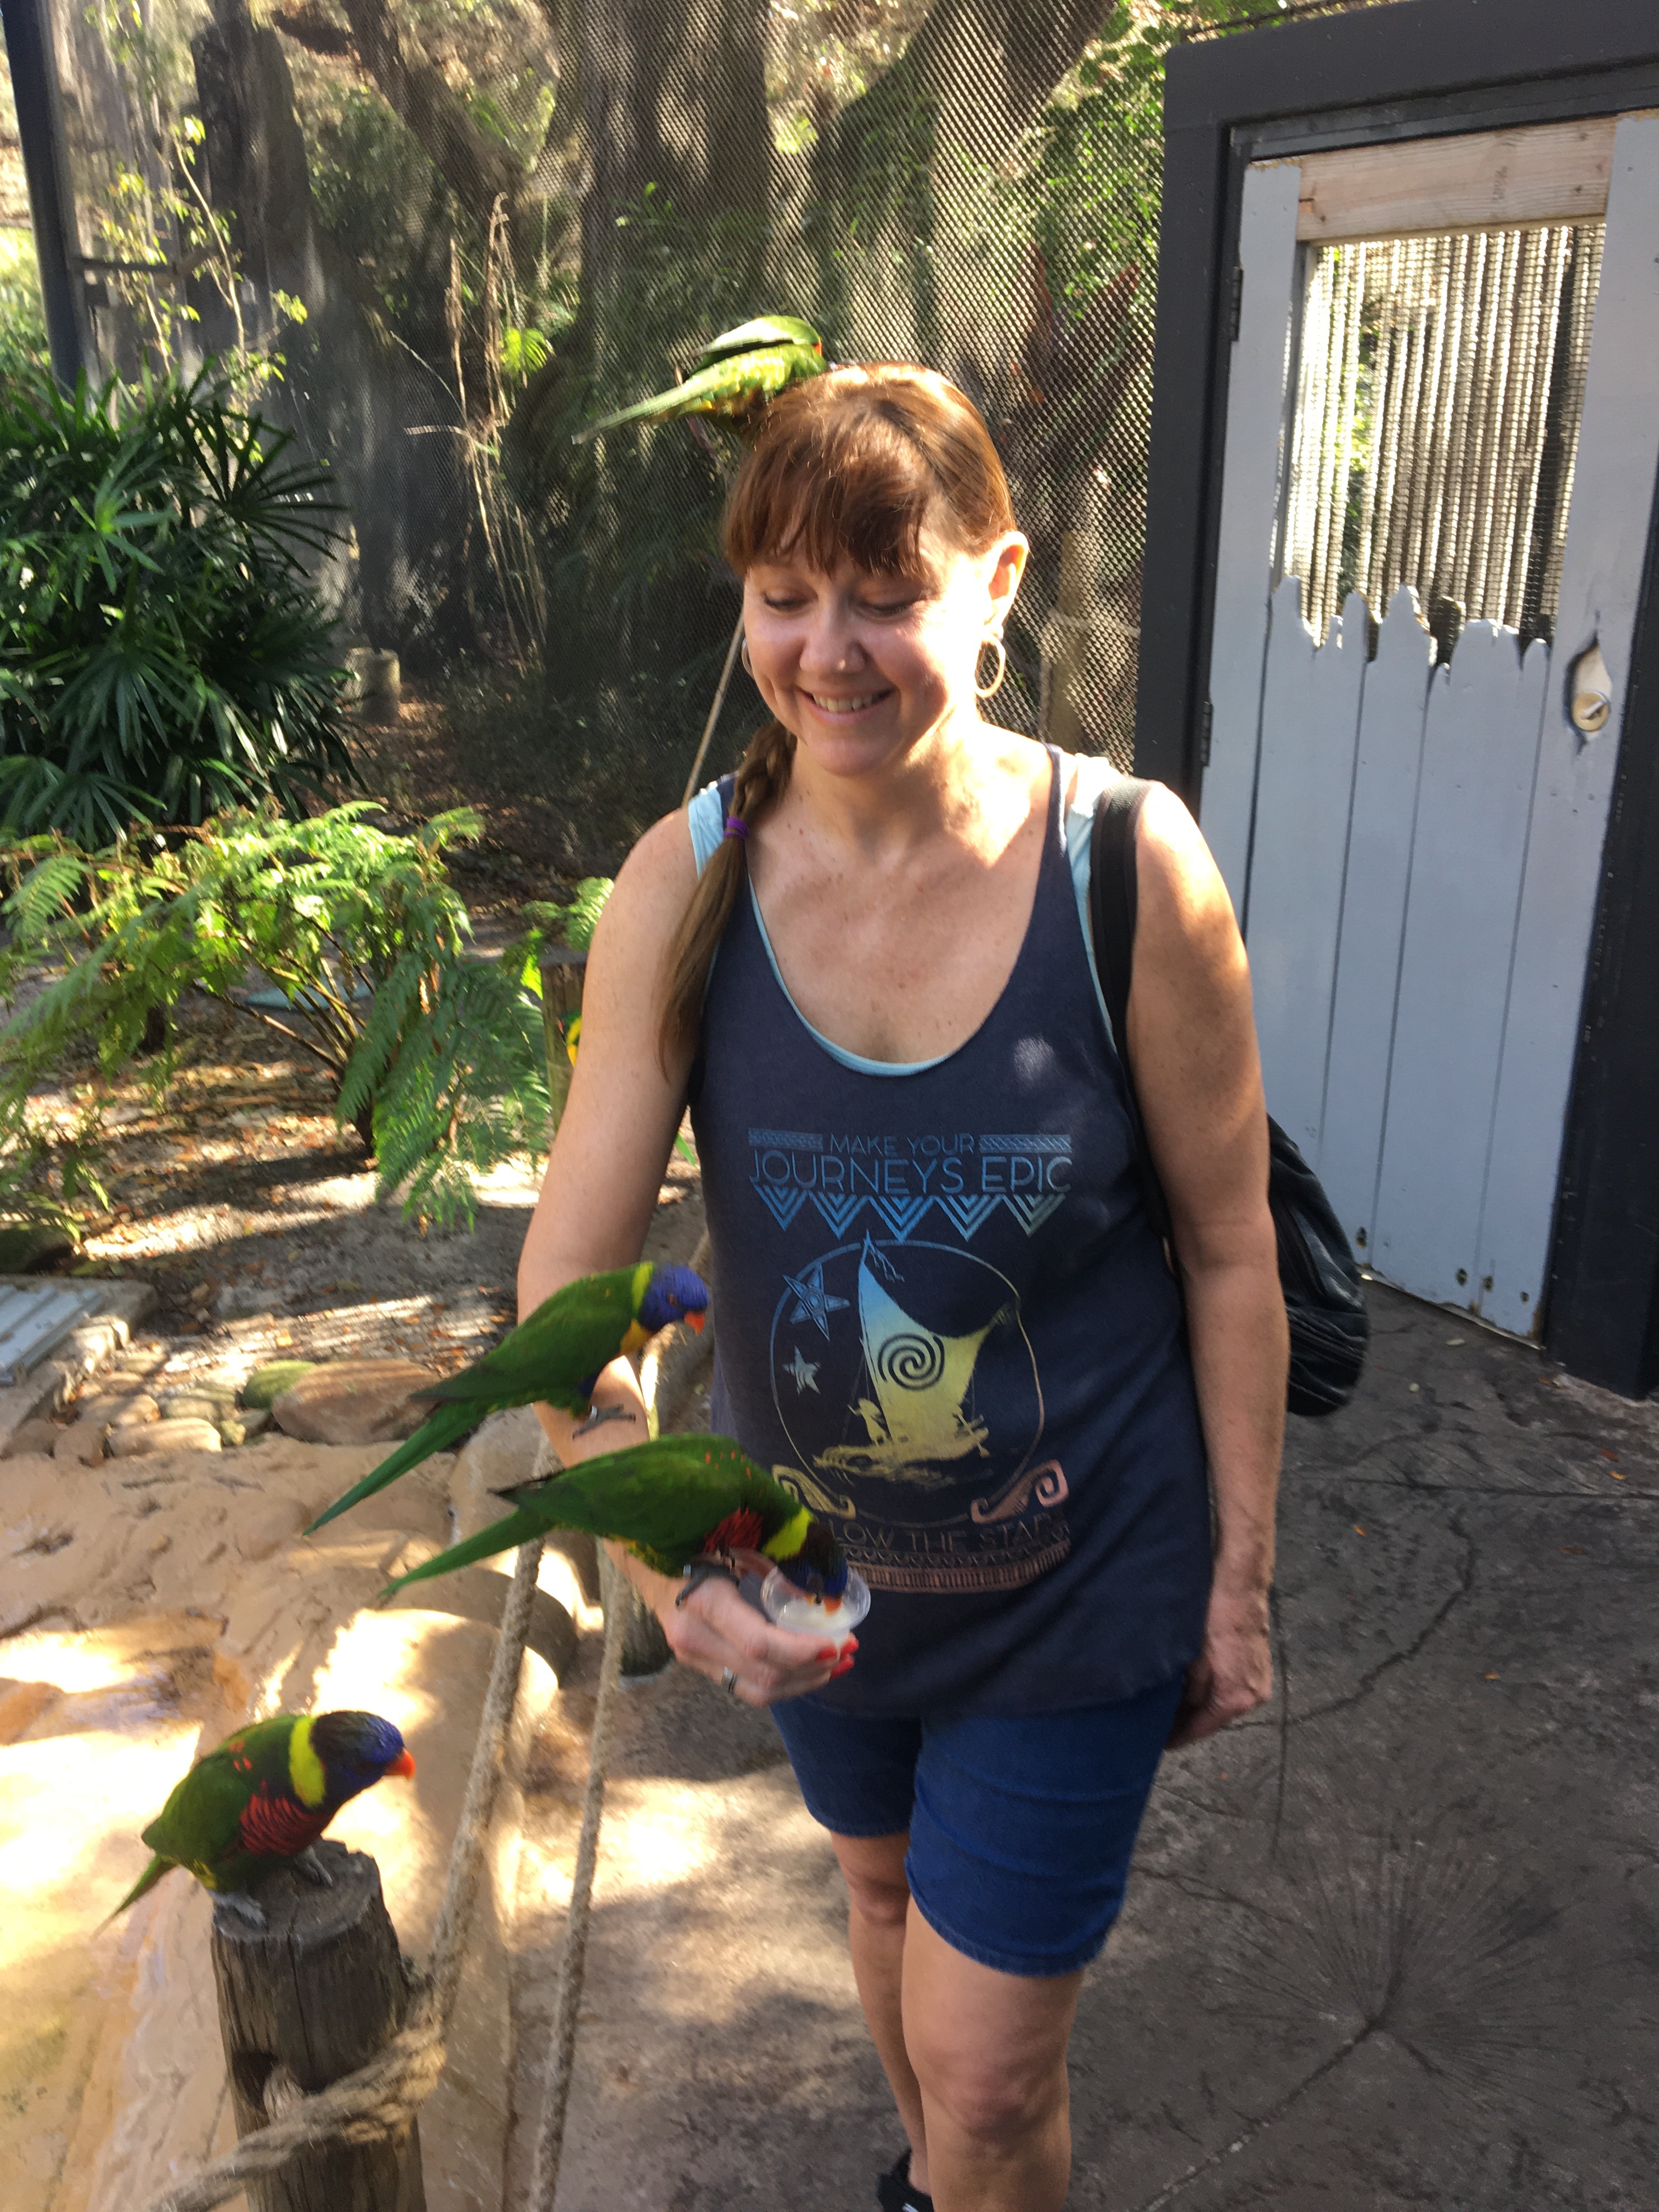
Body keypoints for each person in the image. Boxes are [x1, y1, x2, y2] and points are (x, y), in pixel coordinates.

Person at [518, 365, 1286, 2212]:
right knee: (878, 1901)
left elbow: (1231, 1247)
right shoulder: (684, 885)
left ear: (999, 581)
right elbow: (568, 1291)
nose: (828, 651)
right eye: (785, 597)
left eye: (887, 594)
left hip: (1075, 1583)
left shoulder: (1127, 867)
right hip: (812, 1589)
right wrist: (675, 1568)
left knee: (993, 2074)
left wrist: (1240, 1579)